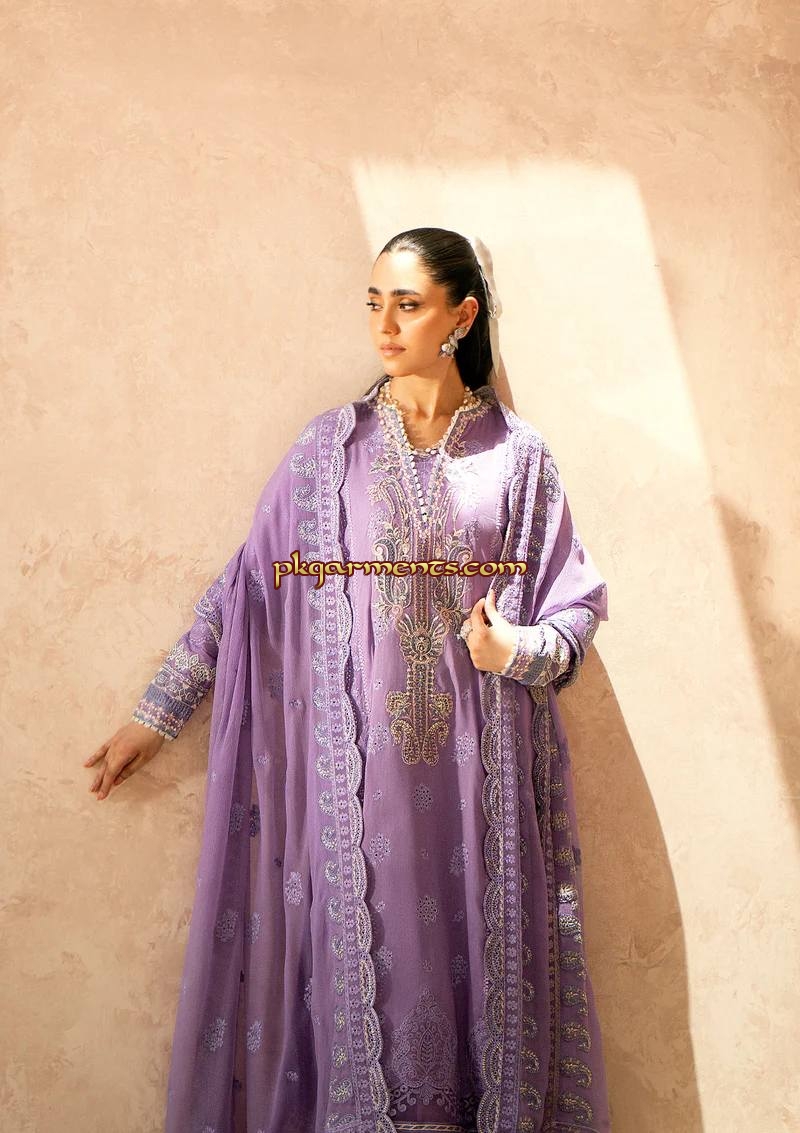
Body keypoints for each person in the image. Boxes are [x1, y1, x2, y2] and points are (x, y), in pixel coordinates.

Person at [84, 227, 611, 1133]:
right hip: (357, 800)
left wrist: (514, 649)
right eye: (374, 303)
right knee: (364, 1000)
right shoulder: (331, 452)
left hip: (481, 796)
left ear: (461, 315)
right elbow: (248, 587)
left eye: (407, 304)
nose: (384, 325)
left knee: (484, 1008)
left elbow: (576, 607)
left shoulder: (519, 459)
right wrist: (157, 714)